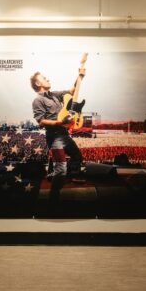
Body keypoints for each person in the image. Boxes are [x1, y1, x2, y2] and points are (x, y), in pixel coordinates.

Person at [30, 55, 86, 211]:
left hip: (65, 135)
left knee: (77, 157)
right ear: (38, 83)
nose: (48, 79)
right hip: (55, 137)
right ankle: (54, 196)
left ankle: (61, 179)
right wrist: (60, 122)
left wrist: (80, 75)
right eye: (44, 78)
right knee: (61, 169)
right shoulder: (38, 101)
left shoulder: (54, 94)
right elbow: (40, 121)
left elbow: (73, 91)